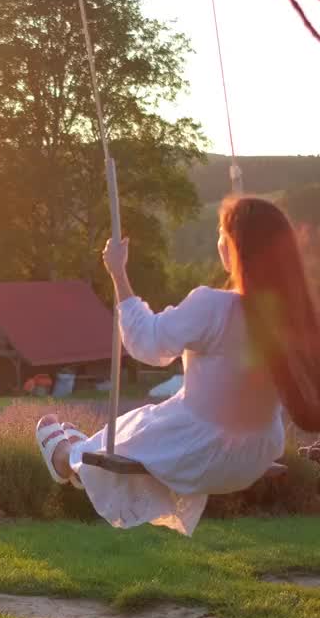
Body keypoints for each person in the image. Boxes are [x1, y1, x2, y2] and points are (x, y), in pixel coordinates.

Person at [36, 195, 320, 536]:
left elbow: (148, 343)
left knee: (138, 427)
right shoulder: (294, 315)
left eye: (220, 233)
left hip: (199, 449)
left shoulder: (213, 306)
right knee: (131, 429)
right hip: (254, 455)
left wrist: (118, 274)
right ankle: (87, 454)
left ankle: (66, 458)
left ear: (234, 247)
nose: (218, 241)